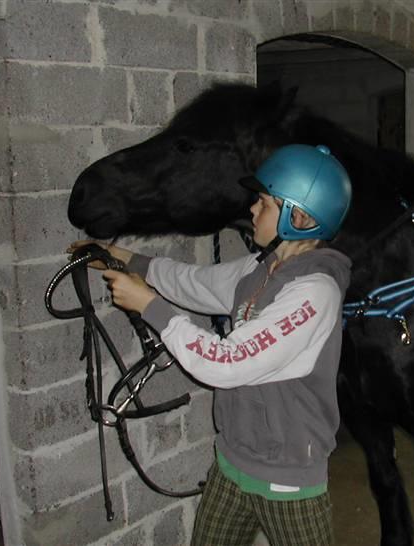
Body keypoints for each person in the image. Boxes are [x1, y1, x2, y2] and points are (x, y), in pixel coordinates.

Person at [71, 144, 352, 546]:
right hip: (233, 462)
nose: (253, 209)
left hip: (289, 481)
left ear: (301, 217)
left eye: (265, 203)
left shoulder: (314, 293)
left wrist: (149, 305)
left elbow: (225, 361)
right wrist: (121, 257)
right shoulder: (261, 267)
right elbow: (194, 283)